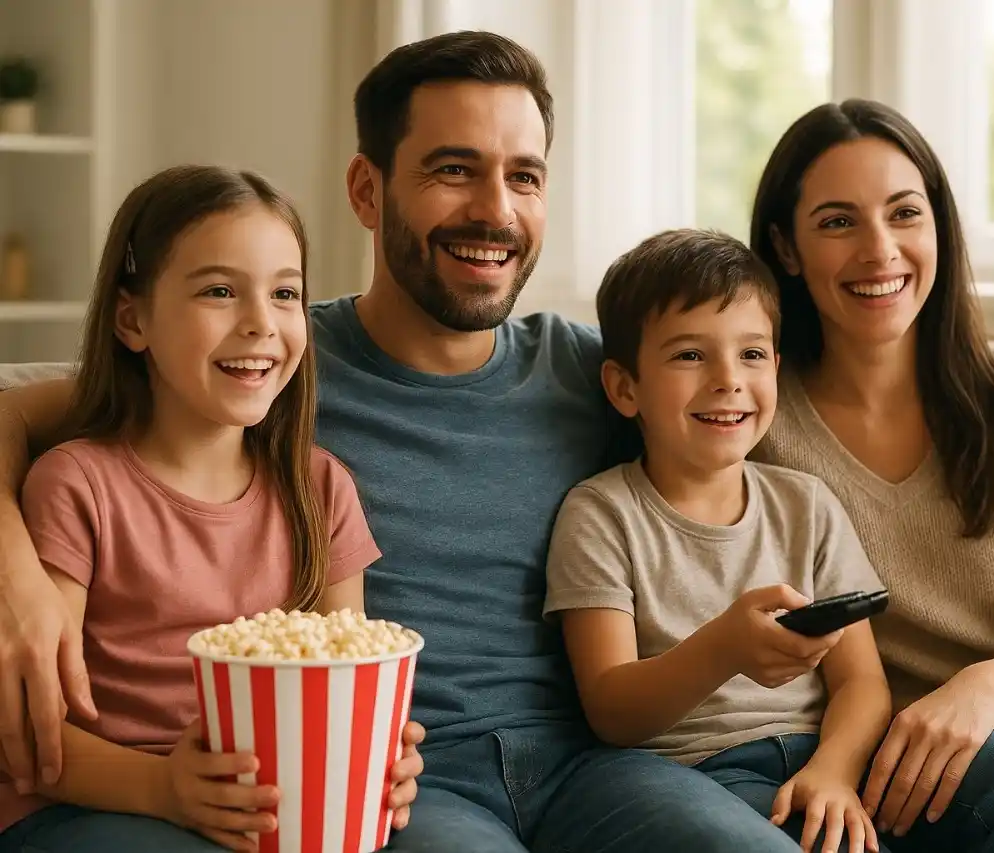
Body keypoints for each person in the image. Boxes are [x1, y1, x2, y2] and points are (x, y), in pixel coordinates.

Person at [0, 32, 840, 853]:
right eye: (453, 169)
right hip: (413, 782)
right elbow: (37, 412)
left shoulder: (597, 373)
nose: (495, 210)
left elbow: (760, 420)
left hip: (595, 767)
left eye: (524, 177)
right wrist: (20, 584)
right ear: (366, 190)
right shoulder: (269, 371)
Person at [749, 97, 994, 852]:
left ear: (937, 228)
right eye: (836, 221)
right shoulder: (752, 415)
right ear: (785, 248)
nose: (878, 250)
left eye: (903, 213)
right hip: (904, 740)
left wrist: (982, 686)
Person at [0, 164, 422, 853]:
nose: (260, 323)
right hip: (88, 801)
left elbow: (343, 680)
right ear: (133, 319)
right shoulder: (76, 485)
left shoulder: (321, 489)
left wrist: (376, 755)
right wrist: (165, 787)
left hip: (261, 803)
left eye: (286, 293)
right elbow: (26, 728)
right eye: (220, 291)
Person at [544, 228, 893, 853]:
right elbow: (611, 709)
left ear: (776, 369)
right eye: (689, 356)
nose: (728, 379)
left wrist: (834, 770)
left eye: (752, 354)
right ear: (625, 388)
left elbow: (862, 683)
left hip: (825, 758)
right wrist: (725, 646)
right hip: (699, 773)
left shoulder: (805, 504)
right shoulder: (600, 514)